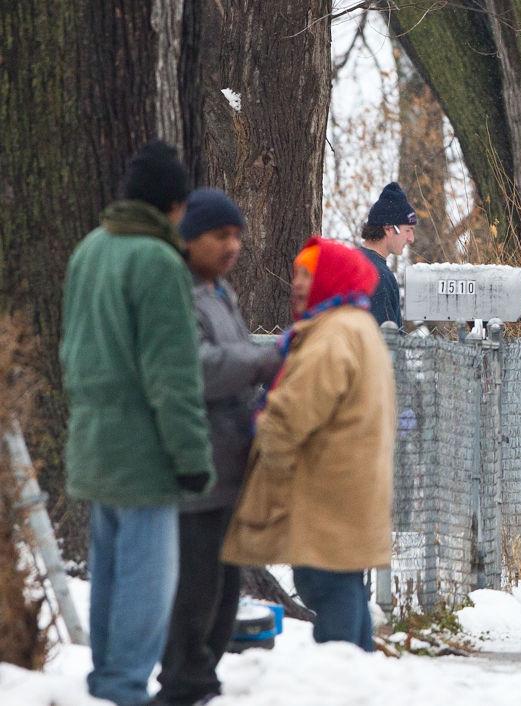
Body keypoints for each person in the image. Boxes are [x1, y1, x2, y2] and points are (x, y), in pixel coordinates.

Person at [60, 140, 214, 706]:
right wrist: (192, 458)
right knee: (147, 580)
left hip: (94, 438)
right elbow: (173, 375)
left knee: (108, 571)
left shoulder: (90, 250)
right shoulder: (157, 262)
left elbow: (71, 347)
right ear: (173, 206)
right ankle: (124, 687)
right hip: (145, 448)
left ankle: (107, 681)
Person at [222, 237, 394, 651]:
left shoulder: (332, 335)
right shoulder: (353, 325)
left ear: (330, 278)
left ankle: (340, 680)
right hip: (346, 488)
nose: (297, 283)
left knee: (324, 582)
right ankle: (357, 676)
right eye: (297, 273)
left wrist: (260, 441)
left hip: (327, 491)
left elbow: (294, 413)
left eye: (308, 274)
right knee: (343, 585)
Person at [155, 189, 282, 706]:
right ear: (190, 239)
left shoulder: (220, 292)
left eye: (237, 236)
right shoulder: (180, 294)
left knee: (225, 583)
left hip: (231, 462)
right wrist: (260, 361)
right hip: (198, 464)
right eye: (219, 236)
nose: (231, 246)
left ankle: (203, 675)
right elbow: (196, 368)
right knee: (196, 583)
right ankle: (184, 679)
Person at [359, 182, 417, 327]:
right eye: (408, 230)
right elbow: (387, 342)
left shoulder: (353, 262)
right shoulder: (378, 276)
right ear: (389, 229)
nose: (411, 239)